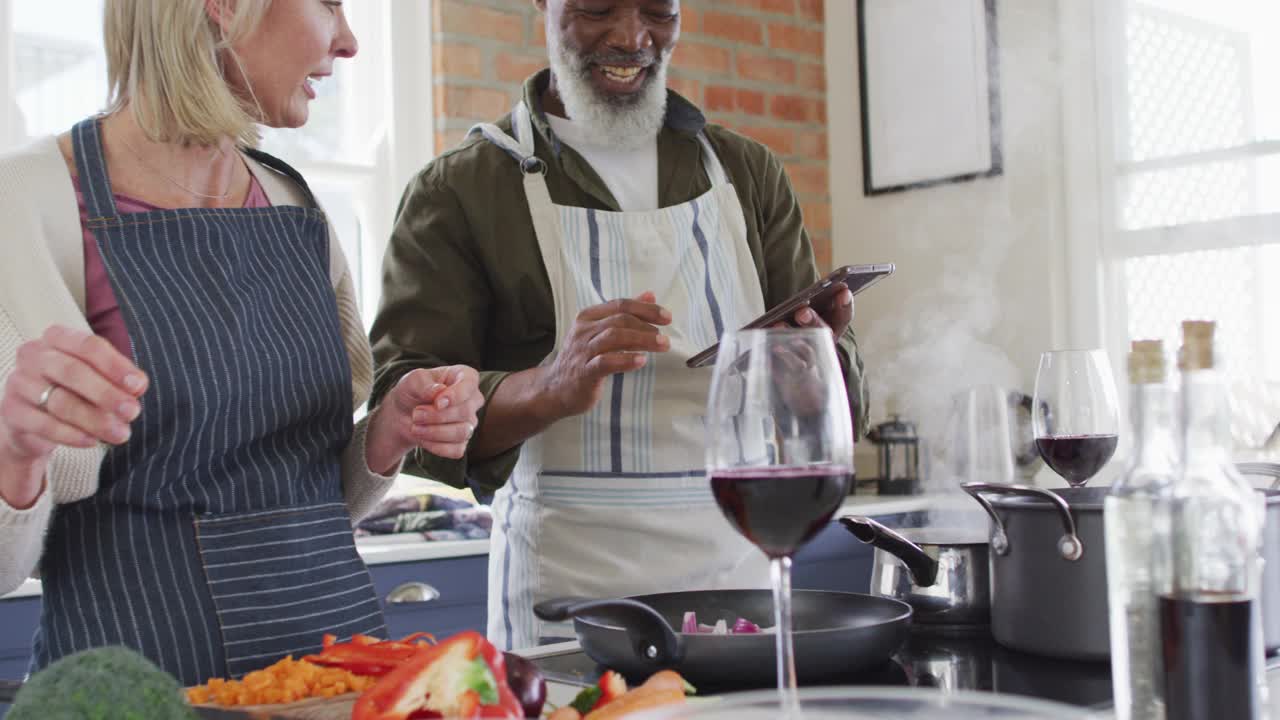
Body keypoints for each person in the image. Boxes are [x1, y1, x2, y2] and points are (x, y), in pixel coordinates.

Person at [0, 0, 484, 685]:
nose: (347, 42)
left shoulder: (293, 202)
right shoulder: (28, 202)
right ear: (224, 7)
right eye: (329, 5)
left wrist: (386, 433)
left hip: (335, 682)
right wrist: (14, 451)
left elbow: (302, 498)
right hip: (144, 688)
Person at [369, 0, 869, 650]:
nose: (632, 37)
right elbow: (403, 421)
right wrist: (547, 385)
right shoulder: (460, 191)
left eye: (659, 12)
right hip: (568, 611)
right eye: (599, 7)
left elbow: (836, 402)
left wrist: (812, 377)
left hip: (741, 594)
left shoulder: (748, 176)